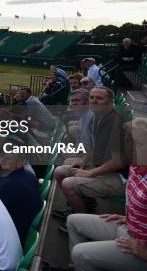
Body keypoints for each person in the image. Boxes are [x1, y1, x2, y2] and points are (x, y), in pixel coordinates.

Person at [67, 117, 147, 271]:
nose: (130, 148)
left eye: (139, 144)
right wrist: (130, 218)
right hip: (129, 227)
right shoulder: (136, 166)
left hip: (143, 248)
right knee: (73, 221)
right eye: (129, 142)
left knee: (80, 253)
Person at [54, 87, 126, 224]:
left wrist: (89, 173)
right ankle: (85, 203)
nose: (94, 101)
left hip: (121, 178)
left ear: (110, 102)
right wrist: (84, 162)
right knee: (60, 171)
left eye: (99, 98)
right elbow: (94, 146)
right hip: (104, 169)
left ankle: (81, 222)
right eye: (92, 98)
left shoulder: (114, 122)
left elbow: (118, 163)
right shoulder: (99, 118)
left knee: (68, 183)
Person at [0, 152, 41, 243]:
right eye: (2, 157)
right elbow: (11, 195)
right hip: (22, 229)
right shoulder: (28, 175)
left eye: (8, 158)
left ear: (20, 163)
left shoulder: (9, 184)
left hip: (12, 236)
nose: (3, 160)